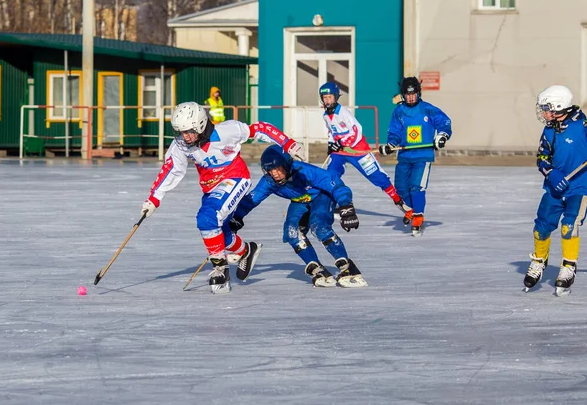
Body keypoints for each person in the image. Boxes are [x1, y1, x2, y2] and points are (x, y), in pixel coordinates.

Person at [140, 102, 304, 294]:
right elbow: (171, 169)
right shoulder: (182, 145)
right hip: (210, 188)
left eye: (189, 131)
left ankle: (220, 268)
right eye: (181, 132)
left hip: (235, 178)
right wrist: (154, 198)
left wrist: (288, 143)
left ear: (201, 124)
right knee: (219, 232)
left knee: (207, 218)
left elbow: (259, 129)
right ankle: (245, 251)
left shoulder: (227, 131)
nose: (185, 137)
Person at [230, 144, 367, 288]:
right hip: (300, 201)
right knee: (291, 231)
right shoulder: (269, 182)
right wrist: (236, 217)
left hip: (321, 196)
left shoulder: (305, 171)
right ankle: (317, 268)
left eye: (277, 168)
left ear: (286, 165)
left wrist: (346, 207)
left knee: (318, 226)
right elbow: (251, 199)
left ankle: (347, 267)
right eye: (270, 170)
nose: (274, 174)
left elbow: (336, 184)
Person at [523, 85, 587, 296]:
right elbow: (542, 157)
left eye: (546, 108)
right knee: (541, 228)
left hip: (580, 188)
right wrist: (551, 172)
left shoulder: (583, 125)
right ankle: (539, 261)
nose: (543, 113)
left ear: (559, 106)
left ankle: (568, 266)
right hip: (555, 188)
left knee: (569, 226)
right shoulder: (550, 129)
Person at [319, 82, 412, 220]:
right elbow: (331, 131)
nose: (327, 100)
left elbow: (356, 131)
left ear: (336, 97)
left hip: (358, 150)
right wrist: (331, 145)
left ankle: (399, 201)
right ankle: (330, 206)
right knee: (331, 176)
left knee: (377, 177)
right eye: (324, 97)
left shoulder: (343, 113)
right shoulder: (326, 115)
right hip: (340, 152)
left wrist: (340, 142)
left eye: (330, 97)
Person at [379, 76, 452, 236]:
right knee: (401, 188)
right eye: (407, 94)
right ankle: (411, 210)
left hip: (423, 155)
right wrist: (391, 145)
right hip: (404, 156)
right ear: (403, 95)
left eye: (413, 94)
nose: (410, 97)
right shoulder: (399, 111)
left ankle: (418, 216)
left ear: (418, 93)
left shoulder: (428, 109)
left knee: (416, 186)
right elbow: (394, 131)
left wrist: (442, 136)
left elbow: (444, 123)